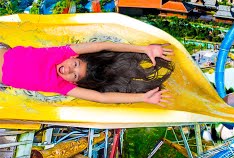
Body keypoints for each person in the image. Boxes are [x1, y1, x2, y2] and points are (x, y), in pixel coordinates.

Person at [0, 42, 174, 106]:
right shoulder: (61, 53)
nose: (68, 70)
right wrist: (143, 49)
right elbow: (103, 46)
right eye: (75, 65)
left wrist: (143, 98)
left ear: (74, 83)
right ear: (74, 57)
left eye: (74, 75)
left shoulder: (61, 85)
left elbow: (102, 97)